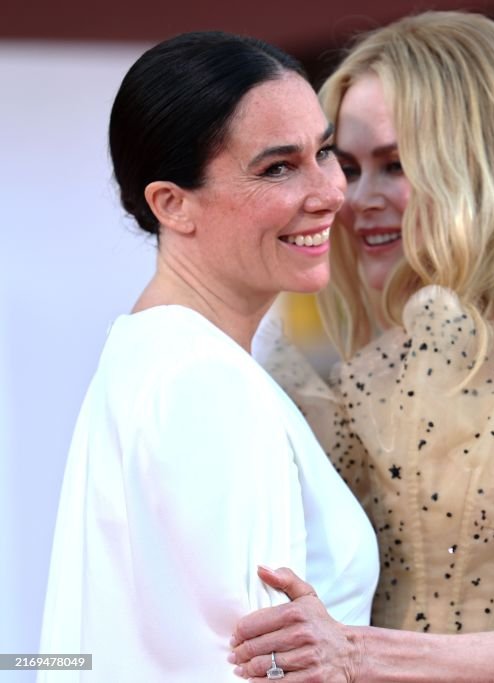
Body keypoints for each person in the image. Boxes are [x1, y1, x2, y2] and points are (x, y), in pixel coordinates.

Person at [232, 11, 494, 681]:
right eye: (348, 166)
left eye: (394, 165)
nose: (356, 197)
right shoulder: (370, 358)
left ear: (480, 168)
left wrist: (353, 650)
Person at [38, 31, 378, 682]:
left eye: (325, 151)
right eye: (279, 167)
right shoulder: (205, 379)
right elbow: (261, 668)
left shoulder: (152, 356)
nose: (331, 190)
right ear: (172, 203)